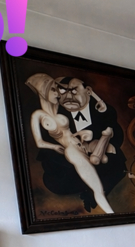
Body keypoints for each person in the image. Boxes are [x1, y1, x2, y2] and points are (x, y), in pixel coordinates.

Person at [25, 74, 127, 212]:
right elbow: (41, 144)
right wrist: (56, 147)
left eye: (73, 91)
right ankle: (106, 208)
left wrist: (85, 134)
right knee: (94, 178)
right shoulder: (42, 114)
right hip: (70, 155)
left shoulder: (100, 109)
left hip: (83, 145)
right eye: (59, 90)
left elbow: (114, 128)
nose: (62, 95)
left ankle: (101, 200)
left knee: (111, 157)